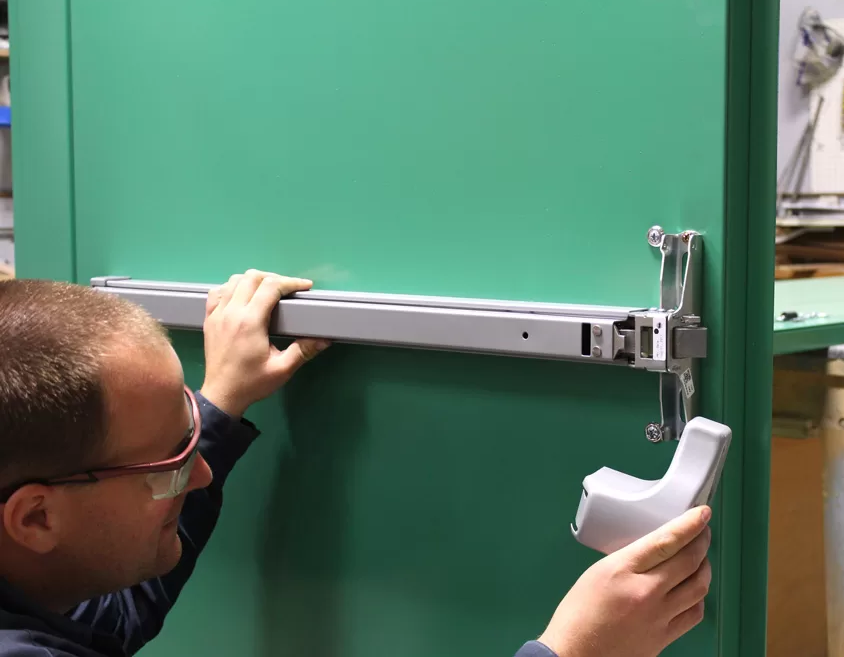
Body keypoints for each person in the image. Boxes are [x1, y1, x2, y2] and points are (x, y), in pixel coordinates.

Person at [0, 270, 711, 657]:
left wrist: (218, 404)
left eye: (184, 429)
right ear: (35, 517)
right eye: (168, 462)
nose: (202, 473)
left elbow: (103, 623)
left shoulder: (33, 577)